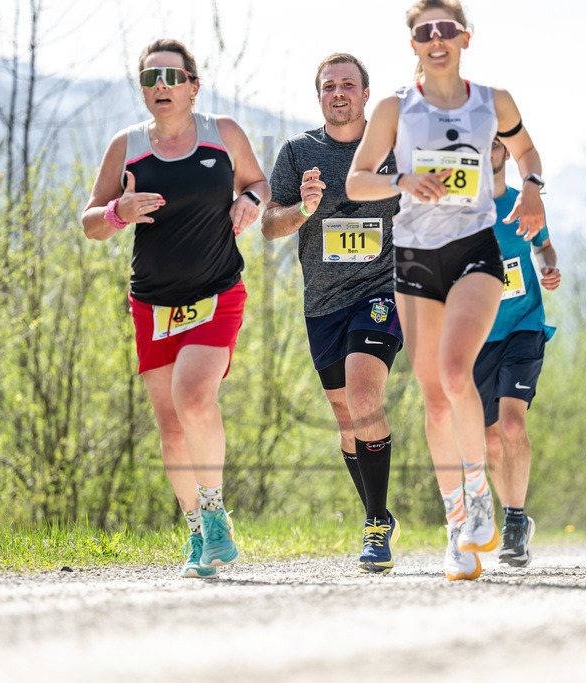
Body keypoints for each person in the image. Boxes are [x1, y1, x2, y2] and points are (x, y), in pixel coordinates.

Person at [346, 0, 547, 581]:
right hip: (414, 256)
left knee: (457, 373)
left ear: (465, 38)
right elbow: (358, 181)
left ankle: (480, 492)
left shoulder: (494, 100)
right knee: (435, 398)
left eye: (445, 29)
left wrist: (531, 186)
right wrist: (401, 178)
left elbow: (527, 149)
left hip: (474, 251)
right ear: (412, 44)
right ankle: (458, 523)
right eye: (423, 31)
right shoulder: (393, 107)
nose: (436, 39)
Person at [81, 39, 269, 579]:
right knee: (169, 426)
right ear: (142, 90)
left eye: (170, 76)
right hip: (153, 302)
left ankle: (215, 515)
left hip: (216, 292)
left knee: (193, 394)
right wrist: (119, 211)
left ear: (193, 84)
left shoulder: (223, 133)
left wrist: (250, 201)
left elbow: (258, 181)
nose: (160, 86)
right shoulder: (127, 146)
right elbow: (90, 221)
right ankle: (196, 534)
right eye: (149, 79)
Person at [262, 53, 404, 574]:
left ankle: (374, 528)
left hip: (383, 290)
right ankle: (378, 513)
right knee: (347, 419)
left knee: (366, 395)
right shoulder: (299, 152)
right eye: (329, 86)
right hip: (323, 302)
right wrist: (302, 208)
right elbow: (269, 225)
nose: (338, 93)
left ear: (367, 94)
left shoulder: (392, 147)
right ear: (318, 95)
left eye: (348, 85)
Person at [474, 137, 560, 568]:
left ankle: (513, 519)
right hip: (477, 336)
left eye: (495, 144)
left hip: (524, 326)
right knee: (490, 441)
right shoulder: (460, 212)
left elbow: (543, 245)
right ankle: (515, 520)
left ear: (506, 154)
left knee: (511, 425)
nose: (487, 151)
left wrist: (547, 266)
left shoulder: (521, 205)